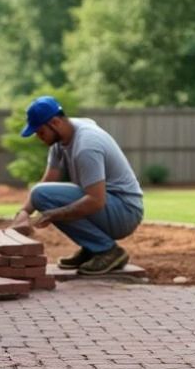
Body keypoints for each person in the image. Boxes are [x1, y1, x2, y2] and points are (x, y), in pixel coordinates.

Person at [9, 96, 144, 275]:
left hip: (124, 211)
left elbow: (96, 201)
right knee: (42, 194)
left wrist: (53, 214)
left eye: (41, 132)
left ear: (55, 122)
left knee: (44, 197)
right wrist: (24, 213)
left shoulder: (86, 146)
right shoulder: (63, 137)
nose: (39, 138)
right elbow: (47, 182)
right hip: (111, 206)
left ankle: (106, 250)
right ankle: (93, 247)